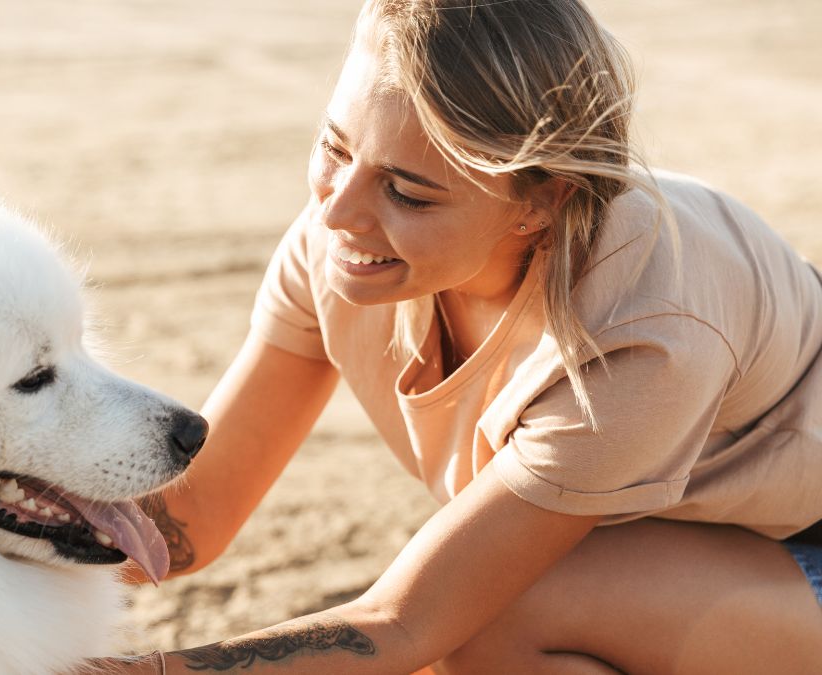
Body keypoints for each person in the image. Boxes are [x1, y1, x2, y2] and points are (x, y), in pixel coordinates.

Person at [97, 0, 822, 672]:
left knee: (493, 619)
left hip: (801, 542)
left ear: (540, 203)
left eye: (406, 191)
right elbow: (192, 514)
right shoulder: (341, 246)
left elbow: (403, 623)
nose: (338, 211)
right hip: (699, 539)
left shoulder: (646, 329)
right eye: (335, 148)